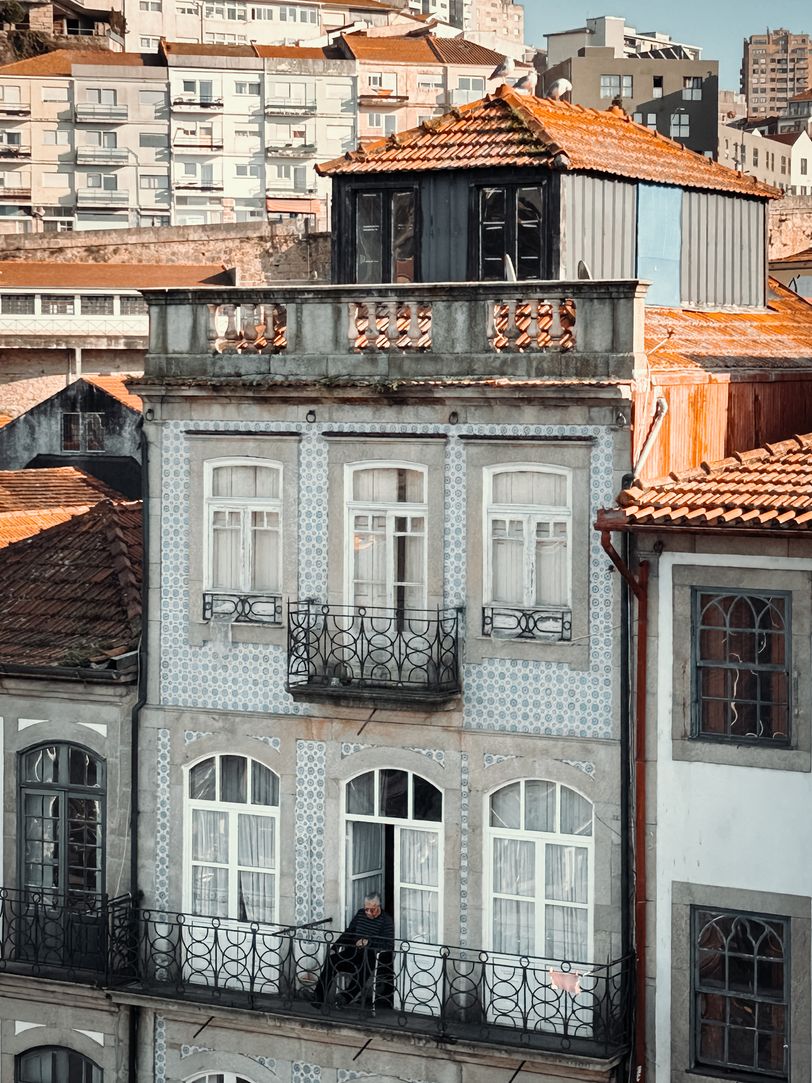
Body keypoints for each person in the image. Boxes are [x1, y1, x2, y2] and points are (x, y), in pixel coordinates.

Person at [310, 892, 395, 1008]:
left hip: (372, 957)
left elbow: (388, 944)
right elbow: (349, 932)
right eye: (366, 909)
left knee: (363, 969)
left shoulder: (386, 920)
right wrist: (335, 947)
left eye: (372, 910)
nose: (368, 912)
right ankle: (318, 997)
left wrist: (368, 942)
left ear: (379, 906)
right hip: (353, 952)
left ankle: (345, 997)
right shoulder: (360, 914)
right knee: (332, 960)